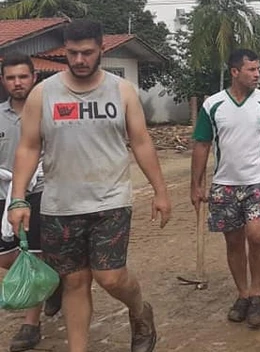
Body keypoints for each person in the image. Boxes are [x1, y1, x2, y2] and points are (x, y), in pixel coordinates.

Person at [8, 19, 172, 352]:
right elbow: (28, 147)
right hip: (60, 204)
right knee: (74, 281)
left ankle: (139, 309)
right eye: (73, 53)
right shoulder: (44, 93)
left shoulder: (121, 91)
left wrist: (161, 191)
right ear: (64, 51)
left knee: (110, 276)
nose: (80, 60)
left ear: (101, 49)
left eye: (87, 52)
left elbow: (140, 142)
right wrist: (19, 199)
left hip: (110, 200)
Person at [191, 49, 260, 329]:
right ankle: (242, 295)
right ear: (235, 72)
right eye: (251, 70)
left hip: (258, 181)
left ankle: (257, 293)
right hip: (224, 184)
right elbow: (202, 144)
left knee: (256, 235)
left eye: (258, 70)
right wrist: (196, 184)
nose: (257, 75)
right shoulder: (213, 105)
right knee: (233, 242)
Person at [0, 53, 62, 352]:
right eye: (11, 77)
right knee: (6, 257)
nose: (17, 83)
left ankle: (30, 325)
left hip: (41, 191)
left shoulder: (49, 113)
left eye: (23, 76)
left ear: (34, 78)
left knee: (34, 255)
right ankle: (52, 279)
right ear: (3, 81)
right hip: (4, 194)